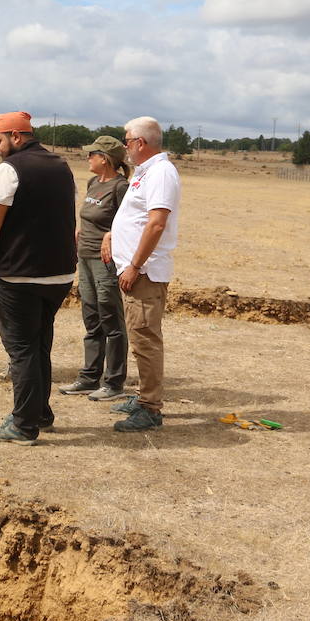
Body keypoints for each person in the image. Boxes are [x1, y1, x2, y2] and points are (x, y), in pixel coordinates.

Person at [0, 111, 76, 446]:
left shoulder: (11, 169)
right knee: (39, 345)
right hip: (58, 275)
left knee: (21, 350)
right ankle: (40, 413)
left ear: (16, 136)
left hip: (19, 276)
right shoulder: (61, 165)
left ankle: (23, 425)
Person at [106, 116, 181, 432]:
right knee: (139, 338)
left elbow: (156, 223)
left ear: (140, 143)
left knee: (146, 339)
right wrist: (112, 235)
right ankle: (143, 397)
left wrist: (135, 265)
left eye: (126, 140)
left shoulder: (161, 172)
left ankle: (150, 408)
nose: (124, 147)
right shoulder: (145, 172)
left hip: (144, 273)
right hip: (135, 271)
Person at [59, 134, 130, 401]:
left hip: (106, 262)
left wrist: (110, 236)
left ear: (105, 159)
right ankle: (89, 378)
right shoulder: (92, 182)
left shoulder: (120, 187)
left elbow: (129, 224)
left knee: (110, 319)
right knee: (91, 319)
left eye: (92, 154)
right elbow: (88, 216)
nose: (87, 157)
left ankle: (114, 383)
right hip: (85, 258)